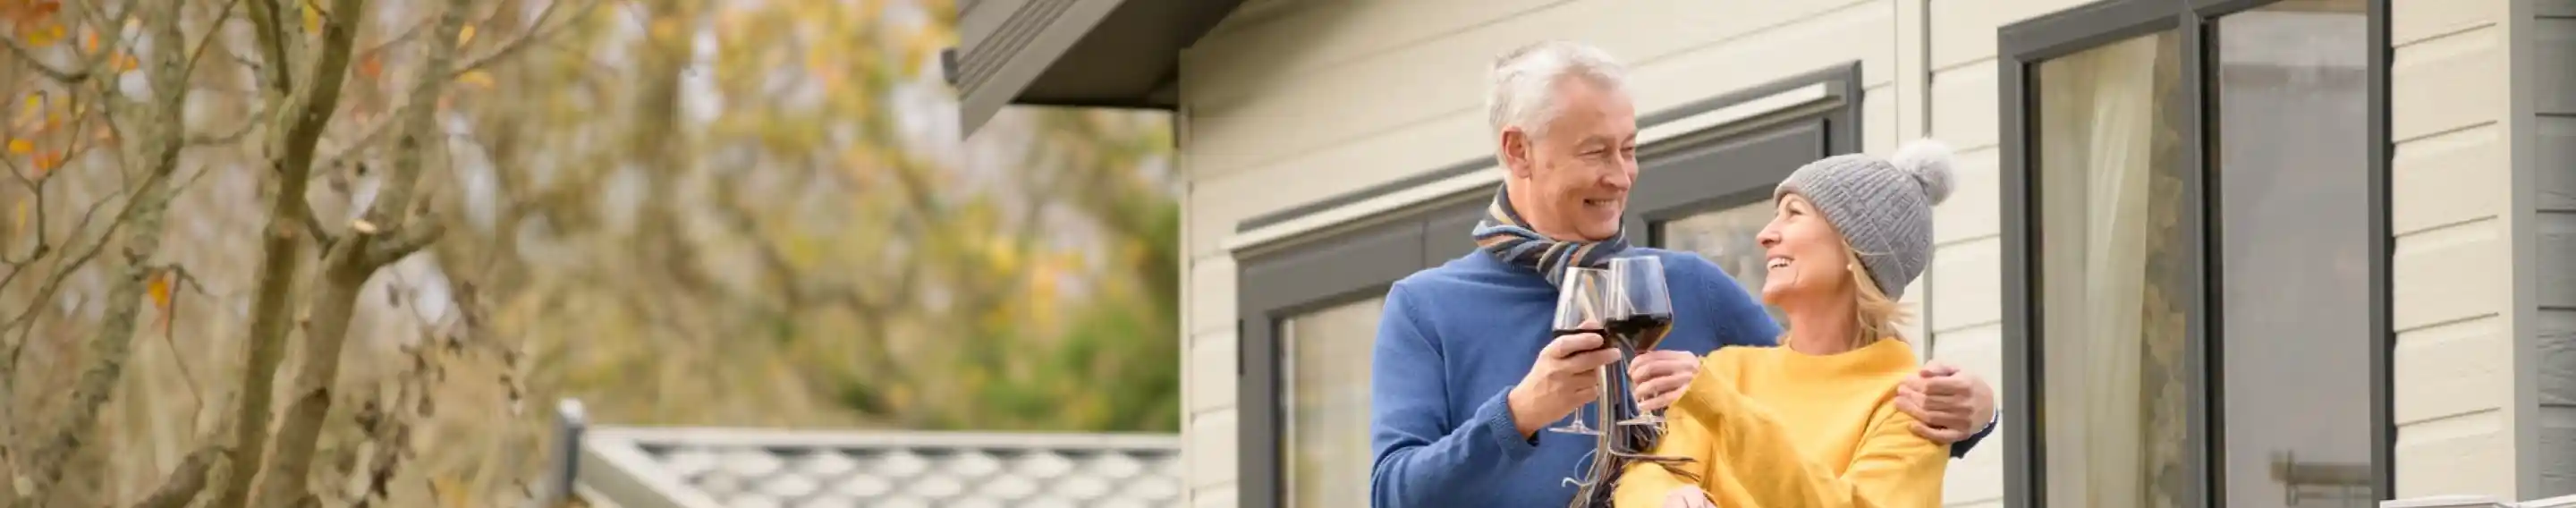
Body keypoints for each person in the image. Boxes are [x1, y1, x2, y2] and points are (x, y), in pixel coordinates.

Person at [1366, 40, 1996, 508]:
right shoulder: (1429, 308)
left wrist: (1974, 414)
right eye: (1595, 152)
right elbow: (1394, 493)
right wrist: (1521, 411)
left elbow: (1815, 388)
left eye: (1629, 148)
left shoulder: (1689, 286)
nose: (1621, 176)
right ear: (1518, 150)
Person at [1614, 140, 1960, 508]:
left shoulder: (1908, 404)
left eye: (1794, 213)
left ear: (1854, 248)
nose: (1765, 235)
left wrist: (1719, 405)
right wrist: (1665, 498)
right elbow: (1651, 473)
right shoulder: (1729, 371)